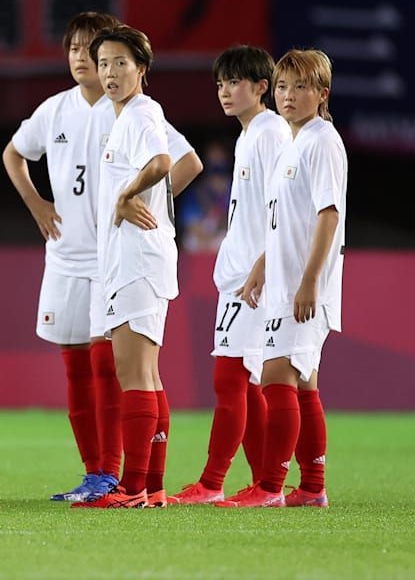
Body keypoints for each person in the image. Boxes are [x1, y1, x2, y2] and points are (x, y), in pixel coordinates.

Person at [3, 12, 201, 505]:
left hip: (119, 259)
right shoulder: (60, 110)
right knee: (87, 368)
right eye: (82, 51)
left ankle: (121, 477)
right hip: (71, 257)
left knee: (116, 369)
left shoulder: (135, 111)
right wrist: (37, 204)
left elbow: (180, 162)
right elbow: (13, 153)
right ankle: (111, 477)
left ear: (136, 66)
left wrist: (144, 203)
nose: (90, 62)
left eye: (108, 57)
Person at [218, 49, 345, 509]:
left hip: (301, 287)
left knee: (276, 377)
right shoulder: (294, 143)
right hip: (283, 280)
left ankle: (270, 486)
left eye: (301, 87)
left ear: (322, 94)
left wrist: (308, 282)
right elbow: (284, 221)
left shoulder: (322, 141)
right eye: (285, 87)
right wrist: (262, 268)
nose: (290, 96)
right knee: (304, 385)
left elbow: (328, 216)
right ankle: (311, 487)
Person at [168, 45, 290, 505]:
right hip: (241, 273)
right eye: (220, 83)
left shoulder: (271, 133)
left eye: (235, 82)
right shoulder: (250, 136)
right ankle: (265, 486)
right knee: (243, 378)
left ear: (262, 88)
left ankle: (213, 482)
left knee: (230, 378)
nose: (224, 91)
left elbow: (285, 209)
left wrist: (262, 265)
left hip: (254, 278)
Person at [73, 25, 177, 509]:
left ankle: (132, 487)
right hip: (134, 263)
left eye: (121, 63)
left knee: (134, 375)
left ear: (142, 69)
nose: (110, 73)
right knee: (148, 377)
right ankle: (151, 487)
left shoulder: (141, 113)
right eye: (104, 63)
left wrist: (127, 193)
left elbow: (162, 160)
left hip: (137, 263)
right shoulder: (123, 118)